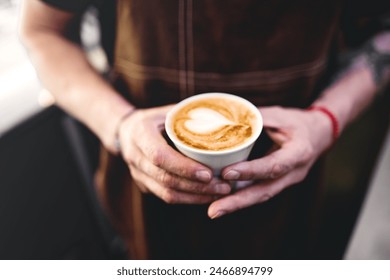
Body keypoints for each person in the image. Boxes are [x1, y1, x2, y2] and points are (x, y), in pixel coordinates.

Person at [19, 0, 390, 259]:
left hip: (291, 198)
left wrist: (327, 118)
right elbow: (41, 30)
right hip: (143, 203)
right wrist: (120, 123)